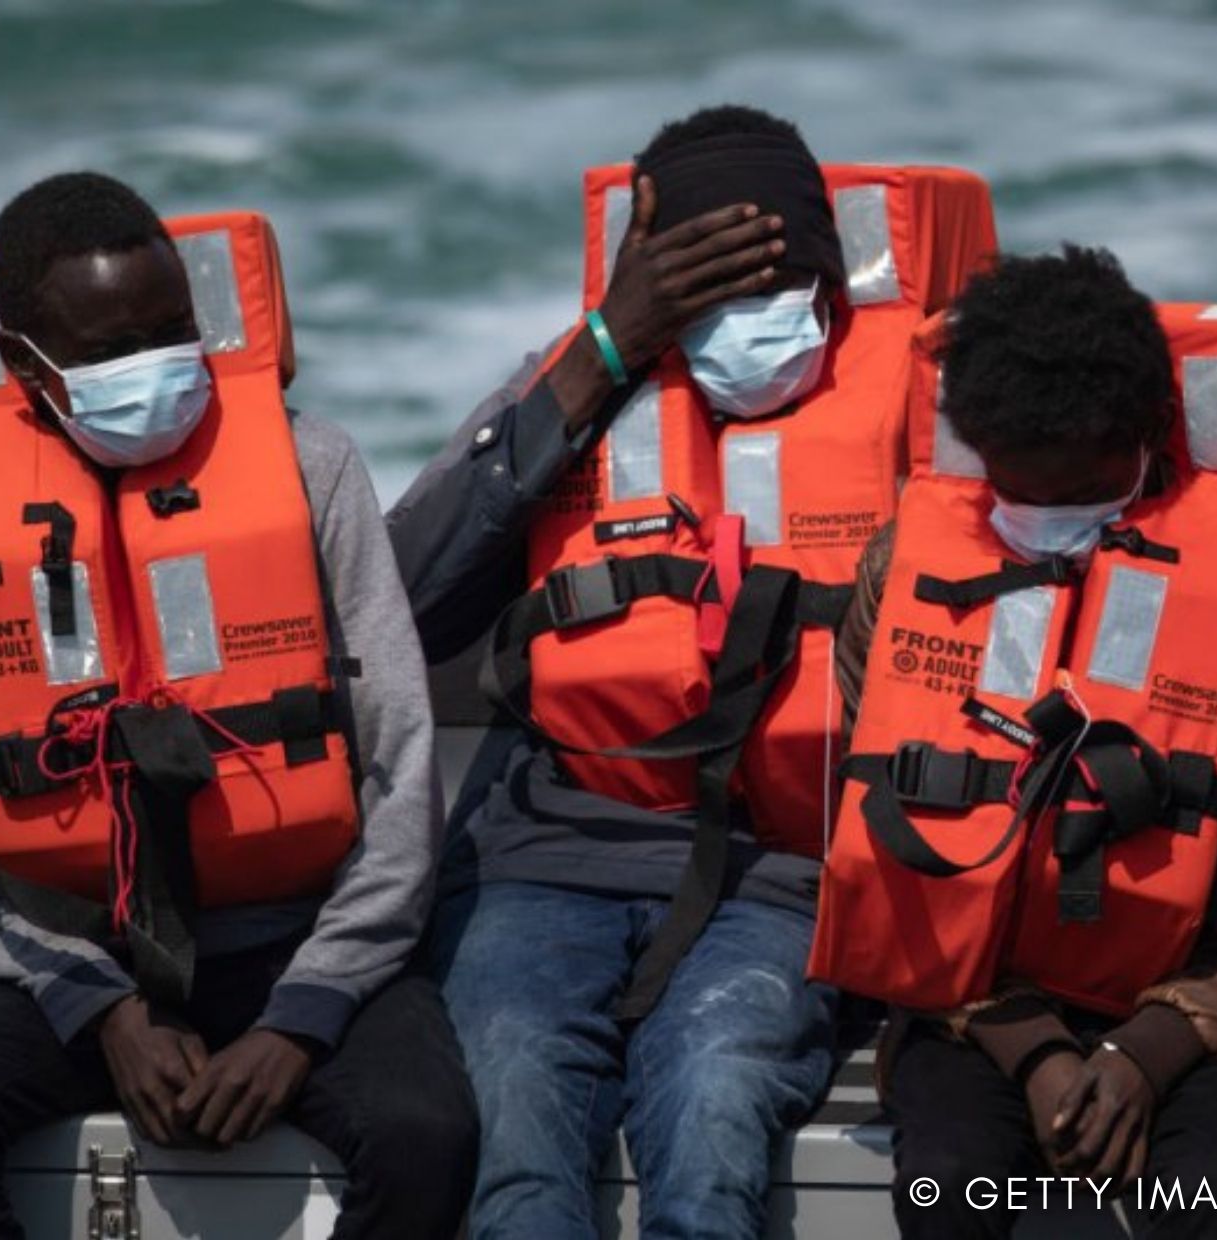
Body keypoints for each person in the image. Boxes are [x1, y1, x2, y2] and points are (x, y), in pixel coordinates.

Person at [386, 106, 994, 1238]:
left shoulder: (926, 416)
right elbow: (399, 604)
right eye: (702, 298)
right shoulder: (571, 386)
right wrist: (608, 347)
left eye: (771, 291)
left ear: (828, 283)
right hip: (550, 854)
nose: (743, 329)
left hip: (788, 868)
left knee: (714, 1097)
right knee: (511, 1103)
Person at [811, 246, 1217, 1239]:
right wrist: (1032, 1047)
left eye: (1074, 493)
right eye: (1011, 492)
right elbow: (882, 859)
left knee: (1211, 1202)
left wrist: (1147, 1050)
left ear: (1142, 444)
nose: (1040, 523)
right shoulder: (904, 568)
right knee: (947, 1186)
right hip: (974, 1007)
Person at [0, 173, 476, 1240]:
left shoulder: (312, 465)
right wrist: (102, 1006)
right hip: (67, 964)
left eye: (174, 331)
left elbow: (399, 767)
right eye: (112, 352)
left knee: (425, 1136)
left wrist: (305, 1016)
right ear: (26, 364)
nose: (159, 371)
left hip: (301, 943)